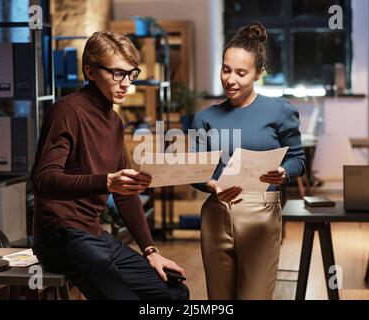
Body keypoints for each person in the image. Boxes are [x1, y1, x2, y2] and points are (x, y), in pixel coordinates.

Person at [31, 31, 189, 300]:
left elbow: (125, 194)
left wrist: (151, 251)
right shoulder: (66, 111)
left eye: (131, 74)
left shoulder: (114, 122)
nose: (126, 83)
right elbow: (43, 181)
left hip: (94, 235)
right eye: (117, 74)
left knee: (174, 293)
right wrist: (106, 181)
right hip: (60, 236)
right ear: (91, 71)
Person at [190, 22, 306, 300]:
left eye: (241, 73)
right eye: (226, 69)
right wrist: (212, 185)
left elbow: (298, 159)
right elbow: (195, 171)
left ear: (258, 73)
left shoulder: (280, 111)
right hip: (216, 214)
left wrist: (282, 172)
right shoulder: (204, 118)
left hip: (261, 216)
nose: (230, 79)